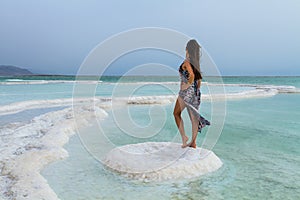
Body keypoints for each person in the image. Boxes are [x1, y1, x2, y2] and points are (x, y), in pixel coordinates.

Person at [173, 39, 210, 148]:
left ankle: (184, 137)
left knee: (176, 114)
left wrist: (186, 86)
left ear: (187, 49)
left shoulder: (187, 62)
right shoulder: (195, 64)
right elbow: (198, 81)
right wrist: (195, 91)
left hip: (186, 93)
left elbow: (192, 76)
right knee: (194, 118)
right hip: (195, 93)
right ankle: (193, 143)